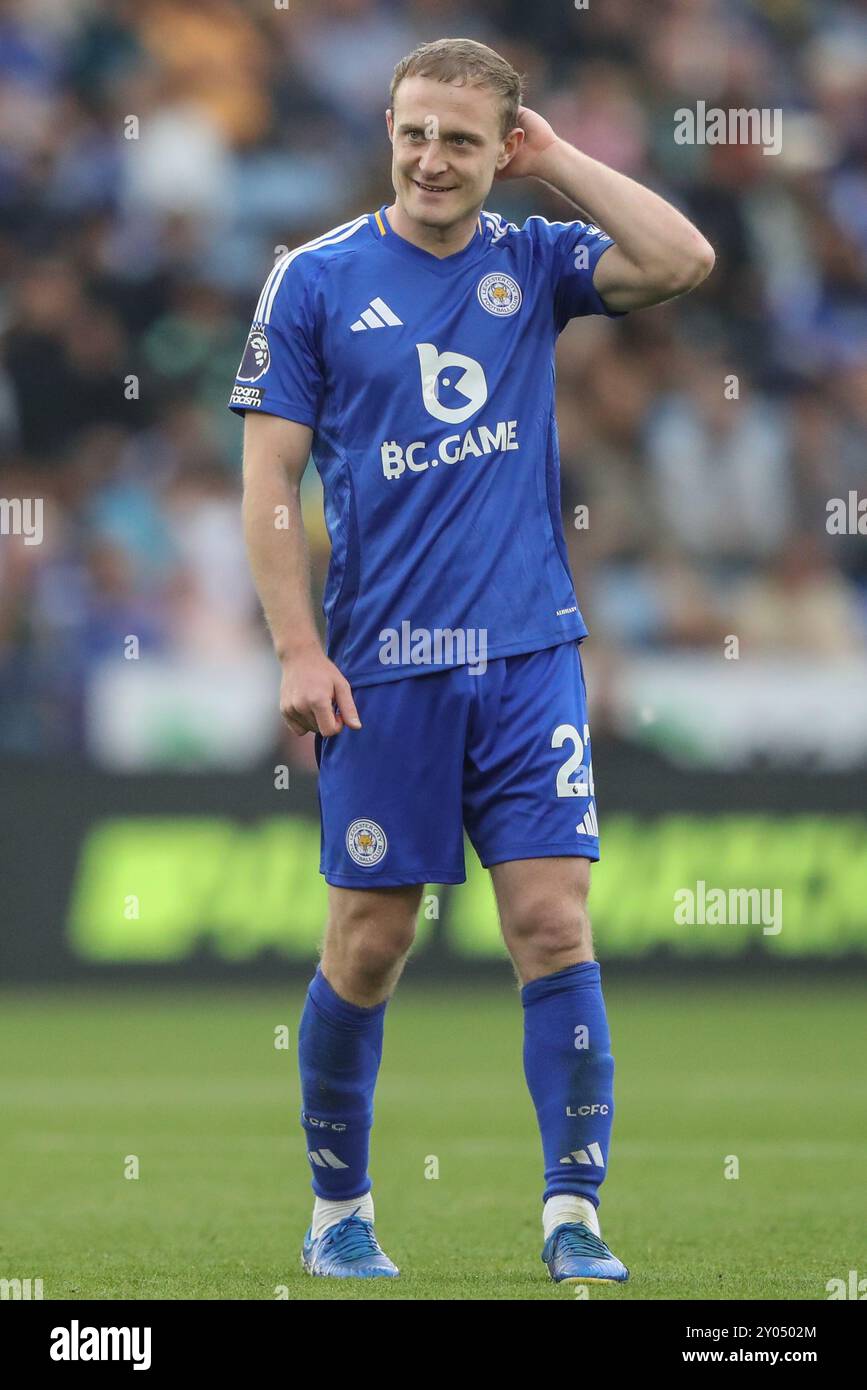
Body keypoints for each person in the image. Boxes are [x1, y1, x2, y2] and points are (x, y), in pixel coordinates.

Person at [230, 37, 714, 1285]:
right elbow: (271, 480)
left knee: (553, 926)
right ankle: (340, 1210)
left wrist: (561, 165)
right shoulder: (314, 278)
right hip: (384, 668)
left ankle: (573, 1217)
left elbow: (683, 258)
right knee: (370, 943)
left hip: (528, 655)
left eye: (460, 137)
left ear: (501, 146)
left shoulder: (534, 257)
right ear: (386, 132)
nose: (431, 158)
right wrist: (298, 645)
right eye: (412, 132)